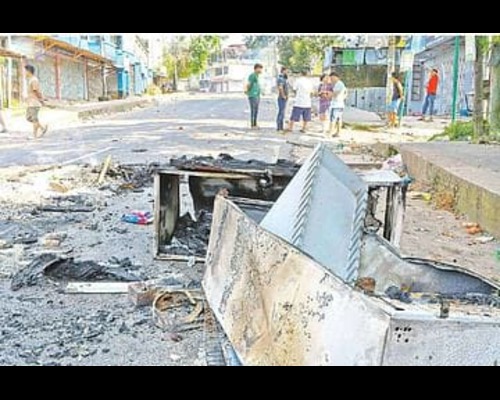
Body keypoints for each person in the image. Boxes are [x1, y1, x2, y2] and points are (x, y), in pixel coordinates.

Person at [286, 69, 314, 133]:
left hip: (299, 101)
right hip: (307, 102)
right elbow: (312, 92)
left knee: (294, 116)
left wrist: (297, 93)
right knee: (306, 117)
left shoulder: (298, 80)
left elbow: (294, 89)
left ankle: (290, 128)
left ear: (301, 73)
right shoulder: (309, 82)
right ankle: (304, 128)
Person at [25, 65, 48, 138]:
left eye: (25, 71)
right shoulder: (31, 79)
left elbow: (36, 91)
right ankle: (42, 128)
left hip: (34, 103)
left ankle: (34, 135)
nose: (24, 72)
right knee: (28, 118)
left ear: (29, 71)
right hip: (31, 102)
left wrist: (41, 100)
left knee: (34, 119)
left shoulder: (34, 80)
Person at [328, 71, 347, 137]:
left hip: (336, 105)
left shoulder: (339, 84)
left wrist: (328, 94)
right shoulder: (341, 84)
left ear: (335, 77)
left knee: (333, 119)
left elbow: (335, 94)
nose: (331, 80)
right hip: (340, 104)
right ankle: (338, 132)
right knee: (338, 119)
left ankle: (330, 133)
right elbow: (346, 93)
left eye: (332, 78)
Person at [245, 63, 263, 129]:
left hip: (257, 95)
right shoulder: (252, 75)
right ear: (256, 68)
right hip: (253, 95)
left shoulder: (257, 76)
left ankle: (255, 123)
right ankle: (253, 124)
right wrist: (248, 91)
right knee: (253, 110)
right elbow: (249, 84)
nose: (261, 70)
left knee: (256, 110)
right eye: (260, 68)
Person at [276, 66, 289, 132]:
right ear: (283, 71)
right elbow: (280, 88)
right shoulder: (281, 78)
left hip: (283, 97)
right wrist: (283, 95)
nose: (287, 72)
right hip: (281, 98)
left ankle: (280, 126)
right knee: (281, 112)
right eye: (287, 71)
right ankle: (279, 127)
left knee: (282, 112)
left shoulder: (284, 78)